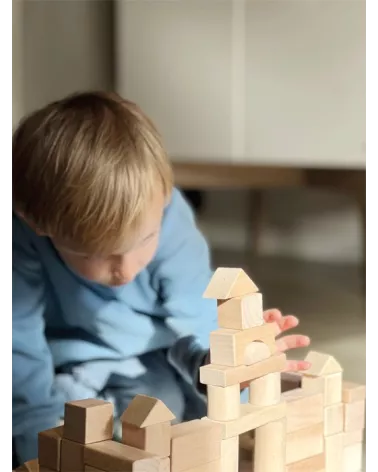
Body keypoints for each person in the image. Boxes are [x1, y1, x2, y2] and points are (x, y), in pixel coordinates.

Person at [11, 91, 310, 465]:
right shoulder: (22, 231)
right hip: (64, 361)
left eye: (145, 240)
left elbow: (197, 324)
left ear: (164, 199)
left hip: (152, 355)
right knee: (57, 420)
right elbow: (18, 339)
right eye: (94, 255)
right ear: (35, 222)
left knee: (168, 414)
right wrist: (35, 446)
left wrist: (233, 370)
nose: (125, 269)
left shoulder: (171, 222)